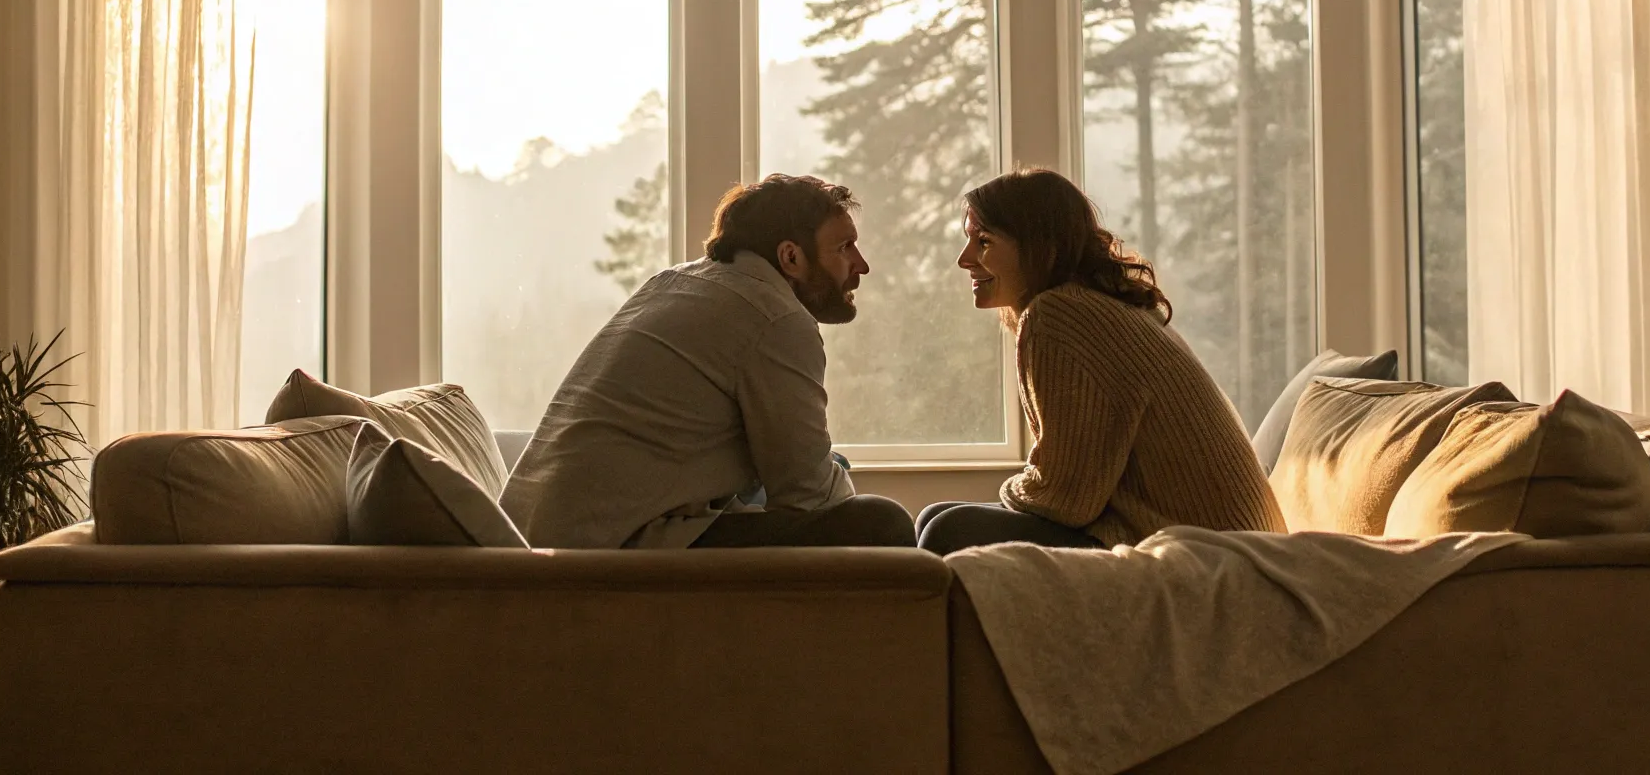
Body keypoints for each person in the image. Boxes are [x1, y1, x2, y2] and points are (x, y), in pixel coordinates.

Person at [502, 174, 915, 549]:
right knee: (880, 523)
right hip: (608, 550)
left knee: (830, 469)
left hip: (541, 537)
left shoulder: (673, 281)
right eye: (844, 248)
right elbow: (806, 493)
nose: (861, 265)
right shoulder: (775, 318)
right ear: (791, 257)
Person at [915, 168, 1286, 555]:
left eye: (984, 241)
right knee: (935, 519)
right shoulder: (1103, 306)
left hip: (1208, 552)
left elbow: (1064, 499)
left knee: (947, 531)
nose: (964, 259)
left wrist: (1011, 487)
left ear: (1038, 246)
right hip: (1230, 541)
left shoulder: (1060, 313)